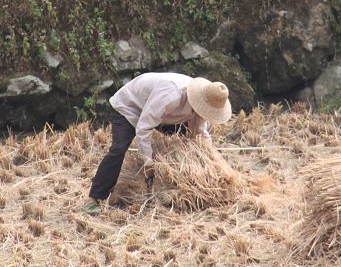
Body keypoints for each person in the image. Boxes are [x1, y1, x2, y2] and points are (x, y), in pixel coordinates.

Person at [82, 72, 232, 214]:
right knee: (118, 149)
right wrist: (148, 164)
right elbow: (143, 128)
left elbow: (200, 133)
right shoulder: (170, 95)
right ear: (198, 101)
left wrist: (210, 160)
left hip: (162, 114)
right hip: (130, 107)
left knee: (190, 139)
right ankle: (94, 198)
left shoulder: (204, 101)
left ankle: (176, 179)